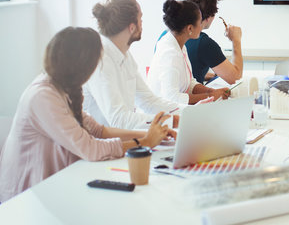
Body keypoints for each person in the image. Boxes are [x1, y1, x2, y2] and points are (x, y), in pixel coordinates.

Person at [0, 27, 174, 203]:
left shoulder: (60, 87)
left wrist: (151, 134)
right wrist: (144, 142)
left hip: (52, 187)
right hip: (26, 197)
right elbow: (90, 149)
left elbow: (98, 131)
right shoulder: (43, 96)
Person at [83, 0, 197, 129]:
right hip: (103, 144)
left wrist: (191, 112)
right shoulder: (100, 60)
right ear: (132, 27)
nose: (142, 23)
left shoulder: (124, 54)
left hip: (124, 136)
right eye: (140, 19)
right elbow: (118, 119)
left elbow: (149, 100)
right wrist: (171, 121)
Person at [147, 0, 230, 104]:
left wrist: (211, 91)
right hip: (163, 115)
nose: (202, 27)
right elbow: (172, 98)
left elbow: (188, 83)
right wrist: (210, 96)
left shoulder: (179, 44)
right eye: (200, 22)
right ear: (190, 28)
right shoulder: (170, 54)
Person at [183, 0, 243, 84]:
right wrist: (236, 40)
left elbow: (184, 71)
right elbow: (235, 79)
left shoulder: (168, 34)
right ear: (208, 17)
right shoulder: (204, 43)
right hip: (190, 98)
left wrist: (207, 75)